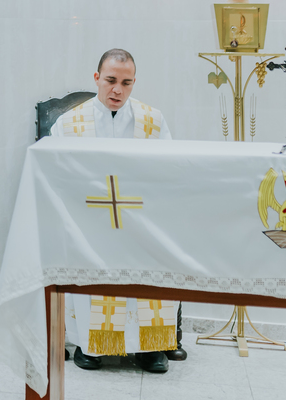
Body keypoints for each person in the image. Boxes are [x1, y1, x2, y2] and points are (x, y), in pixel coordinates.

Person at [48, 48, 184, 373]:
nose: (117, 90)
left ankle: (150, 347)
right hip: (91, 222)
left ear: (134, 82)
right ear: (97, 78)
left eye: (126, 82)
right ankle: (90, 344)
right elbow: (56, 175)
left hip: (139, 221)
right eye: (110, 80)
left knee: (154, 256)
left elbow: (168, 171)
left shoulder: (153, 121)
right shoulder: (69, 125)